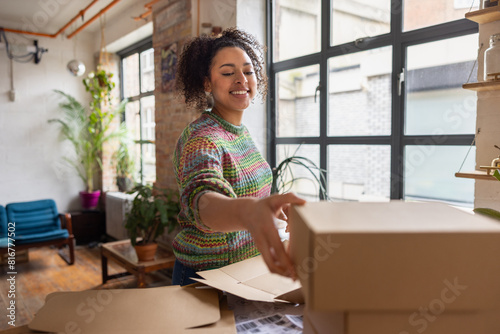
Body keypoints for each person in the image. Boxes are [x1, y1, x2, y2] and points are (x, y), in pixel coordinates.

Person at [172, 27, 306, 286]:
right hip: (206, 277)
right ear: (207, 83)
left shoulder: (240, 133)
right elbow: (203, 201)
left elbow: (249, 193)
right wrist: (249, 212)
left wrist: (272, 209)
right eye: (228, 72)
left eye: (248, 71)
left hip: (245, 272)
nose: (242, 80)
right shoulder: (201, 138)